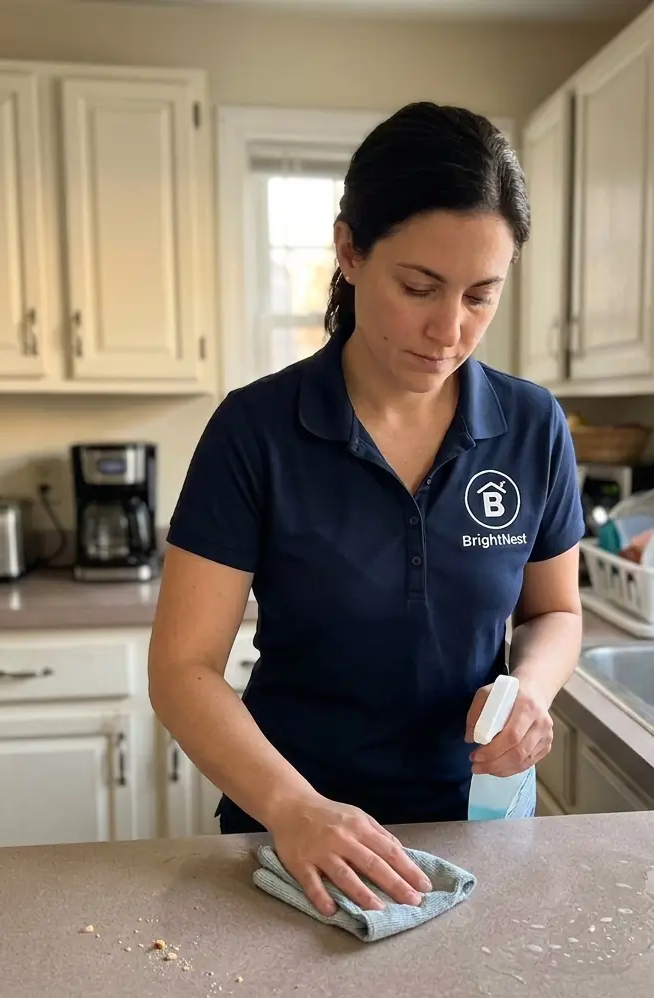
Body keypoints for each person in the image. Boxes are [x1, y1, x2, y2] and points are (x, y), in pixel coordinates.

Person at [148, 101, 584, 918]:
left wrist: (531, 689)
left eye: (481, 296)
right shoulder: (256, 430)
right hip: (291, 829)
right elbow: (181, 671)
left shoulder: (532, 426)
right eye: (418, 287)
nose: (448, 330)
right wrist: (293, 809)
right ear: (349, 251)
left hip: (475, 829)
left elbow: (556, 611)